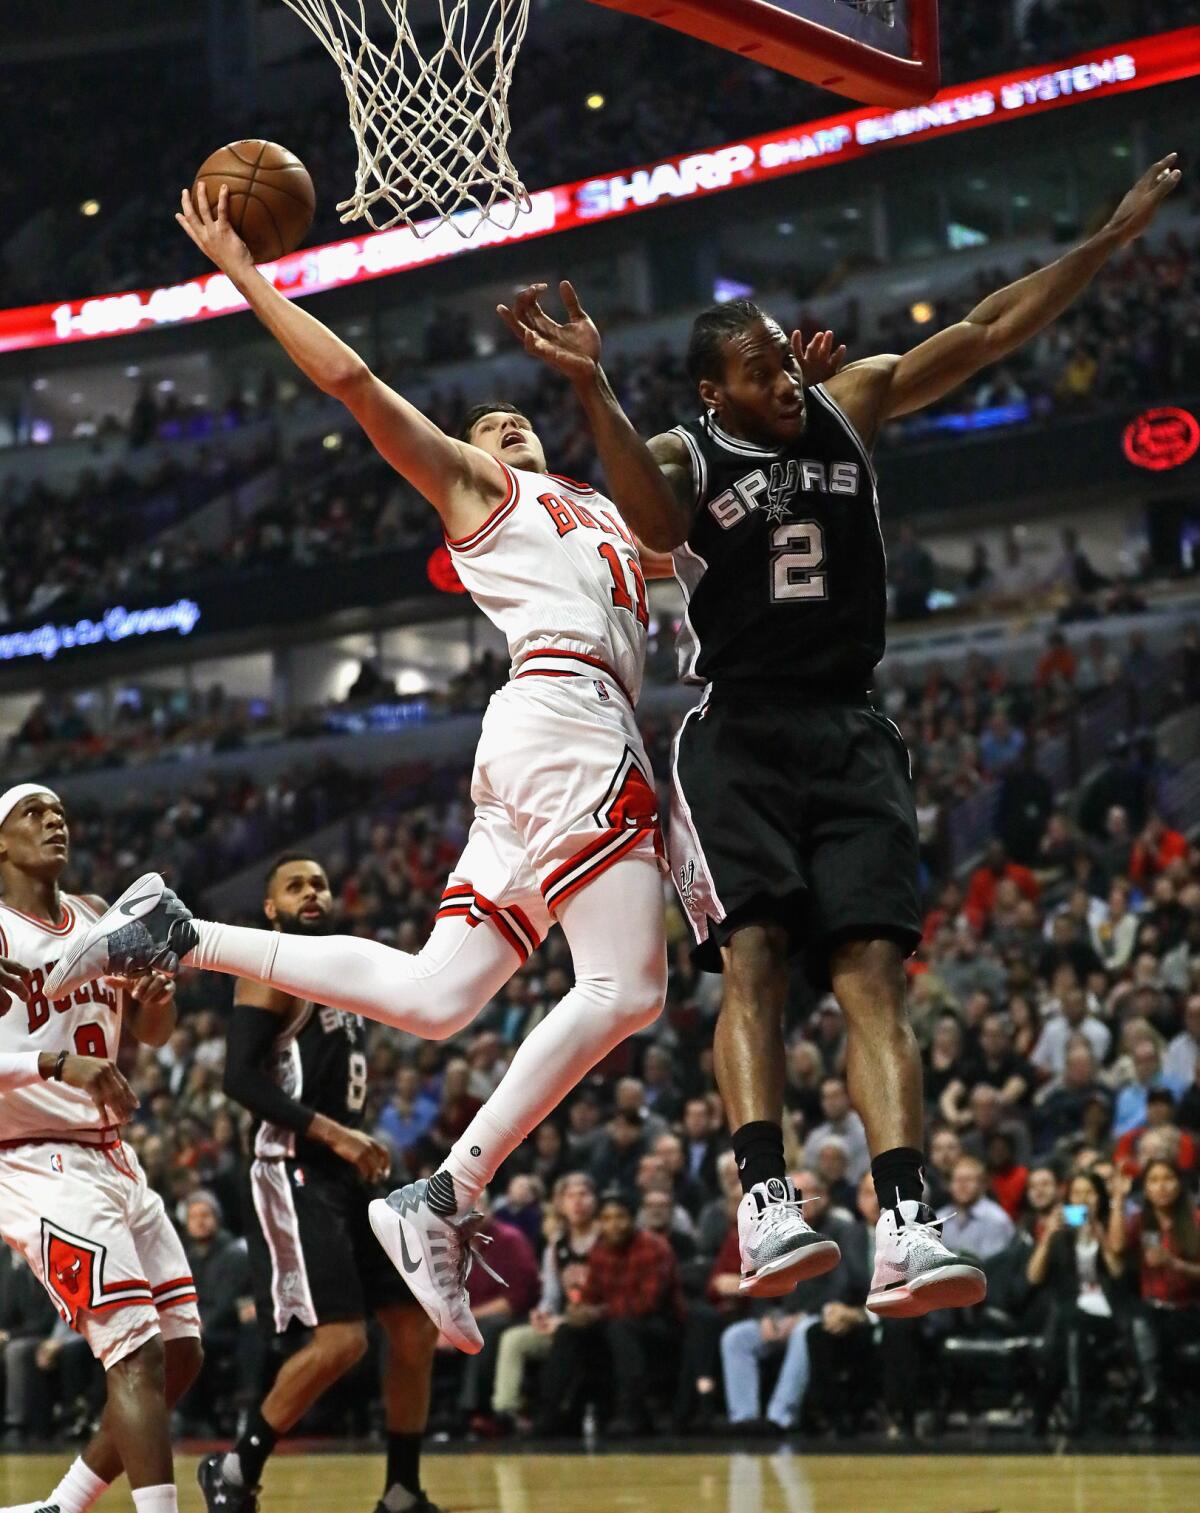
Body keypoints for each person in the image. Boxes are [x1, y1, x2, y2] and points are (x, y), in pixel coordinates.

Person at [492, 157, 1186, 1318]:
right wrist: (591, 391)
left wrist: (1110, 238)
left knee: (875, 974)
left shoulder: (848, 401)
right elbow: (654, 527)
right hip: (740, 736)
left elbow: (986, 327)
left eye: (780, 357)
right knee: (753, 957)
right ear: (714, 393)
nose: (780, 376)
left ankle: (906, 1218)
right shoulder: (684, 453)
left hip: (854, 725)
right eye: (756, 369)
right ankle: (766, 1201)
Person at [51, 189, 672, 1358]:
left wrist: (601, 385)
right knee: (629, 990)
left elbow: (680, 515)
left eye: (513, 423)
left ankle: (184, 934)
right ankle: (448, 1191)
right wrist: (243, 272)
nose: (502, 431)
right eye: (482, 429)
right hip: (561, 713)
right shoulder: (486, 498)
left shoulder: (600, 505)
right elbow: (354, 385)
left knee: (441, 999)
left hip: (561, 736)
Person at [195, 853, 443, 1513]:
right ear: (271, 908)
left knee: (414, 1327)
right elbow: (239, 1078)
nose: (312, 892)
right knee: (342, 1339)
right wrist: (334, 1132)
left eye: (320, 883)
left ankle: (400, 1489)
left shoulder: (343, 971)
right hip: (293, 1165)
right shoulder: (268, 966)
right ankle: (233, 1469)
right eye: (294, 885)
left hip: (347, 1171)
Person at [0, 784, 201, 1513]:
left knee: (181, 1353)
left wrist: (154, 998)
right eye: (33, 812)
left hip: (113, 1153)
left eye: (59, 813)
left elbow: (152, 1032)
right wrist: (57, 1064)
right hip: (33, 1157)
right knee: (137, 1353)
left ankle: (61, 1506)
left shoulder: (93, 915)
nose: (54, 821)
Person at [535, 1190, 681, 1437]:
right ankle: (550, 1413)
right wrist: (578, 1311)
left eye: (620, 1217)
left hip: (662, 1326)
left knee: (622, 1328)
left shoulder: (654, 1247)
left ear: (633, 1219)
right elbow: (591, 1295)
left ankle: (630, 1414)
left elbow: (646, 1304)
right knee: (568, 1331)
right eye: (607, 1218)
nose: (614, 1225)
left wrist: (597, 1311)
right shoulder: (600, 1249)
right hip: (613, 1322)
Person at [1025, 1169, 1128, 1434]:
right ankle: (1078, 1415)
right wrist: (1048, 1235)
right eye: (1077, 1193)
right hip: (1070, 1313)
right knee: (1071, 1322)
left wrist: (1100, 1234)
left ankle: (1042, 1413)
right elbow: (1033, 1277)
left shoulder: (1110, 1226)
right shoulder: (1060, 1234)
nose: (1083, 1199)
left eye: (1090, 1193)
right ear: (1068, 1199)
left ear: (1099, 1198)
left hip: (1105, 1312)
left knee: (1066, 1324)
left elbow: (1117, 1272)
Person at [1109, 1158, 1200, 1429]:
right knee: (1140, 1317)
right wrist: (1118, 1199)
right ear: (1146, 1188)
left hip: (1187, 1310)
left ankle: (1152, 1393)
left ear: (1179, 1185)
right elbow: (1116, 1246)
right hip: (1152, 1309)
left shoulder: (1195, 1220)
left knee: (1143, 1323)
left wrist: (1174, 1263)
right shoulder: (1141, 1221)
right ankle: (1153, 1391)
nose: (1162, 1187)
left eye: (1167, 1179)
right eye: (1154, 1180)